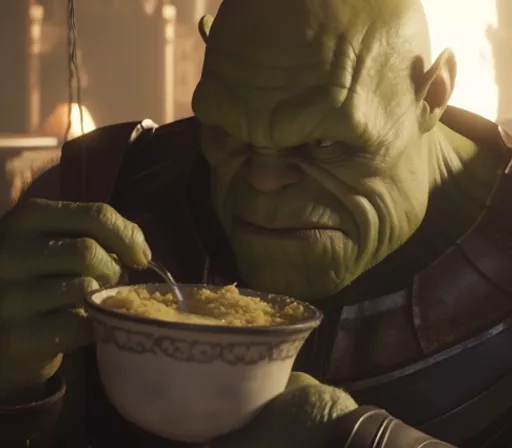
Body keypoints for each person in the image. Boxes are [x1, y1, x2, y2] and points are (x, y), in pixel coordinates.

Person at [1, 0, 512, 446]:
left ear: (433, 93)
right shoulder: (100, 197)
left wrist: (355, 441)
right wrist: (14, 386)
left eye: (326, 145)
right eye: (226, 133)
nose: (263, 181)